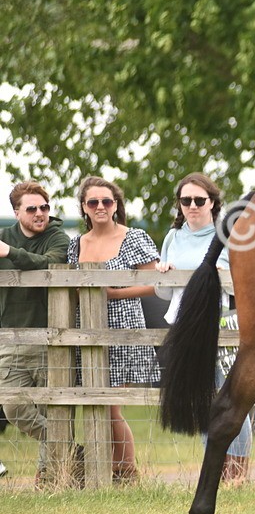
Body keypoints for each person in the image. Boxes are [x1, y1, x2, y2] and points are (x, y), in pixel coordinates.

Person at [155, 172, 252, 482]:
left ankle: (237, 473)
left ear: (212, 202)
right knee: (201, 397)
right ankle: (215, 473)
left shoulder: (227, 236)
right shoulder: (173, 237)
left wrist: (223, 273)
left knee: (232, 398)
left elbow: (242, 285)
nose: (192, 206)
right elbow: (162, 293)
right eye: (186, 200)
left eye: (199, 200)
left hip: (218, 323)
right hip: (183, 326)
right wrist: (164, 273)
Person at [69, 176, 160, 483]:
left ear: (116, 205)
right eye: (93, 202)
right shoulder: (76, 244)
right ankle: (105, 470)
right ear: (84, 207)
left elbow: (156, 284)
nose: (100, 206)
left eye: (106, 201)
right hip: (86, 329)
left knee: (110, 406)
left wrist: (115, 293)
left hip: (123, 327)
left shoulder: (133, 237)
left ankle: (126, 471)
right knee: (96, 403)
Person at [0, 181, 79, 486]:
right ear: (16, 212)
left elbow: (49, 264)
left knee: (54, 408)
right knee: (13, 406)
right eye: (31, 208)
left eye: (44, 207)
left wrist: (9, 253)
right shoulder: (4, 236)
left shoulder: (57, 237)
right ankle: (69, 448)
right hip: (10, 338)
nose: (40, 213)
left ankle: (50, 478)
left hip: (52, 338)